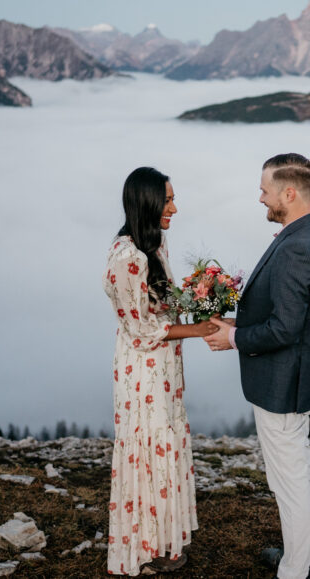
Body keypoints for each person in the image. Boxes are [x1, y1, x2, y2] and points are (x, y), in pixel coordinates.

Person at [205, 153, 310, 579]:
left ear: (289, 192)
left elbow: (284, 328)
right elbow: (284, 311)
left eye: (265, 190)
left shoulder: (299, 247)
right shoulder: (308, 234)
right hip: (295, 379)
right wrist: (237, 321)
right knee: (299, 471)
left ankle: (295, 570)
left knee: (288, 481)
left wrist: (234, 338)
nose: (260, 198)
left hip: (283, 384)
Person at [104, 166, 217, 576]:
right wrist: (199, 328)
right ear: (147, 203)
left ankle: (165, 539)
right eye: (167, 200)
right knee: (147, 448)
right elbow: (141, 328)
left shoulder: (154, 245)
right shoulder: (127, 258)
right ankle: (143, 546)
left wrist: (206, 294)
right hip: (142, 369)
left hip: (165, 366)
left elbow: (164, 301)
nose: (174, 207)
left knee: (164, 446)